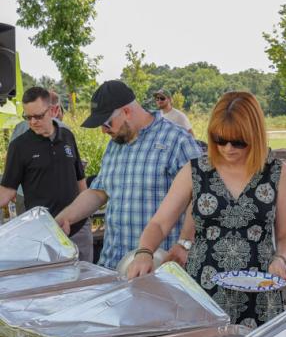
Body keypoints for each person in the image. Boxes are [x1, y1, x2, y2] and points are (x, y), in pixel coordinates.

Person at [127, 91, 286, 328]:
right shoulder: (195, 170)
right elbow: (159, 223)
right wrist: (145, 252)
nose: (228, 148)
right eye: (219, 139)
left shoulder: (278, 173)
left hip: (260, 295)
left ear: (255, 136)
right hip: (203, 291)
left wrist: (281, 258)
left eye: (238, 141)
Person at [56, 80, 202, 270]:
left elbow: (201, 195)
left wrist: (185, 243)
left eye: (107, 123)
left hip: (157, 266)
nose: (103, 130)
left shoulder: (177, 140)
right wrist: (65, 218)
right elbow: (99, 192)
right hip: (113, 264)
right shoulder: (114, 145)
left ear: (126, 111)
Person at [0, 87, 93, 261]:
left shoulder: (67, 136)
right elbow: (7, 191)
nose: (33, 122)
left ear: (52, 110)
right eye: (28, 117)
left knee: (85, 284)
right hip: (44, 236)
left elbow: (80, 180)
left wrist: (86, 217)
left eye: (38, 116)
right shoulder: (19, 146)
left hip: (78, 230)